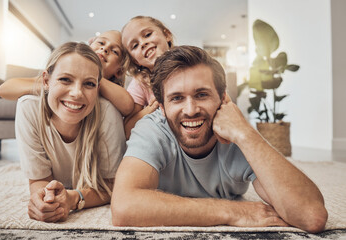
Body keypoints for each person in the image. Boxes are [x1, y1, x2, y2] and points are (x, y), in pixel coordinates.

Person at [111, 46, 328, 233]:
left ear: (223, 98)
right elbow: (123, 207)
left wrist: (245, 134)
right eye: (176, 98)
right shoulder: (152, 129)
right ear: (161, 107)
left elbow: (311, 216)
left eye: (201, 94)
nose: (191, 110)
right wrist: (231, 211)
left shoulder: (238, 134)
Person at [16, 42, 126, 222]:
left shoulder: (107, 113)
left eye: (89, 84)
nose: (76, 93)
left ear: (97, 88)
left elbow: (112, 185)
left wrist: (74, 198)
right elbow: (39, 179)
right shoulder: (28, 109)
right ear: (46, 81)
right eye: (65, 79)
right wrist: (46, 199)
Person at [0, 30, 134, 117]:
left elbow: (128, 106)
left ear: (119, 71)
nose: (105, 49)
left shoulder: (113, 95)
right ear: (89, 47)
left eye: (114, 51)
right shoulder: (54, 79)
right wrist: (54, 88)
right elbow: (4, 90)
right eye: (101, 43)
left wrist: (95, 73)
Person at [121, 16, 174, 138]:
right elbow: (127, 130)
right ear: (135, 61)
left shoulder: (190, 64)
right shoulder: (140, 82)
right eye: (135, 46)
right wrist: (153, 107)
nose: (143, 43)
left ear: (167, 35)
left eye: (148, 34)